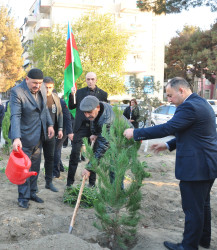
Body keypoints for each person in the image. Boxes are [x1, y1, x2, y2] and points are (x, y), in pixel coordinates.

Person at [123, 77, 217, 250]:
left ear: (181, 90)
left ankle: (188, 246)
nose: (168, 100)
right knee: (201, 205)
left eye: (170, 95)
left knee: (192, 209)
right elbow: (192, 133)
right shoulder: (200, 102)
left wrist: (136, 132)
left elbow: (168, 128)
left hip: (196, 167)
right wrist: (168, 144)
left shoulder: (189, 106)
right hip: (207, 164)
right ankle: (202, 240)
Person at [9, 68, 55, 209]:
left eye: (39, 83)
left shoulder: (41, 88)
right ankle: (23, 197)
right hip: (23, 138)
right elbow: (15, 115)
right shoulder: (17, 92)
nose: (37, 86)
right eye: (34, 83)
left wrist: (50, 124)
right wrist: (16, 137)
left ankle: (33, 193)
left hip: (38, 135)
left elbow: (44, 109)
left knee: (35, 166)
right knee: (23, 169)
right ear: (27, 79)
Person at [78, 96, 131, 187]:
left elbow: (103, 146)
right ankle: (115, 194)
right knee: (112, 168)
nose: (87, 115)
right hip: (114, 138)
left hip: (125, 140)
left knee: (115, 169)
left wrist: (89, 168)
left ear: (97, 107)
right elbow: (94, 121)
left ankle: (118, 197)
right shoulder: (100, 108)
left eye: (89, 112)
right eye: (85, 113)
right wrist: (95, 133)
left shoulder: (107, 120)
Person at [67, 72, 108, 187]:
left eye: (92, 79)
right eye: (88, 79)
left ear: (96, 80)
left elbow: (104, 111)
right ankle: (69, 183)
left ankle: (91, 184)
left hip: (95, 129)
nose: (90, 81)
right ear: (85, 80)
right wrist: (72, 94)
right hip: (81, 128)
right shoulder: (78, 92)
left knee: (94, 155)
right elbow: (71, 106)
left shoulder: (103, 94)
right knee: (74, 154)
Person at [41, 77, 63, 192]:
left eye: (50, 87)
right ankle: (30, 183)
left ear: (53, 87)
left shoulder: (55, 98)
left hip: (51, 134)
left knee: (50, 158)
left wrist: (60, 128)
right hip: (39, 133)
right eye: (46, 87)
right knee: (35, 158)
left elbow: (60, 114)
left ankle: (48, 182)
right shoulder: (37, 97)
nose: (48, 89)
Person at [53, 96, 73, 178]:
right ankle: (60, 167)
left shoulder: (61, 102)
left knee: (55, 150)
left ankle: (55, 173)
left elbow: (68, 118)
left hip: (62, 131)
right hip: (55, 130)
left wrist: (69, 132)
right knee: (57, 149)